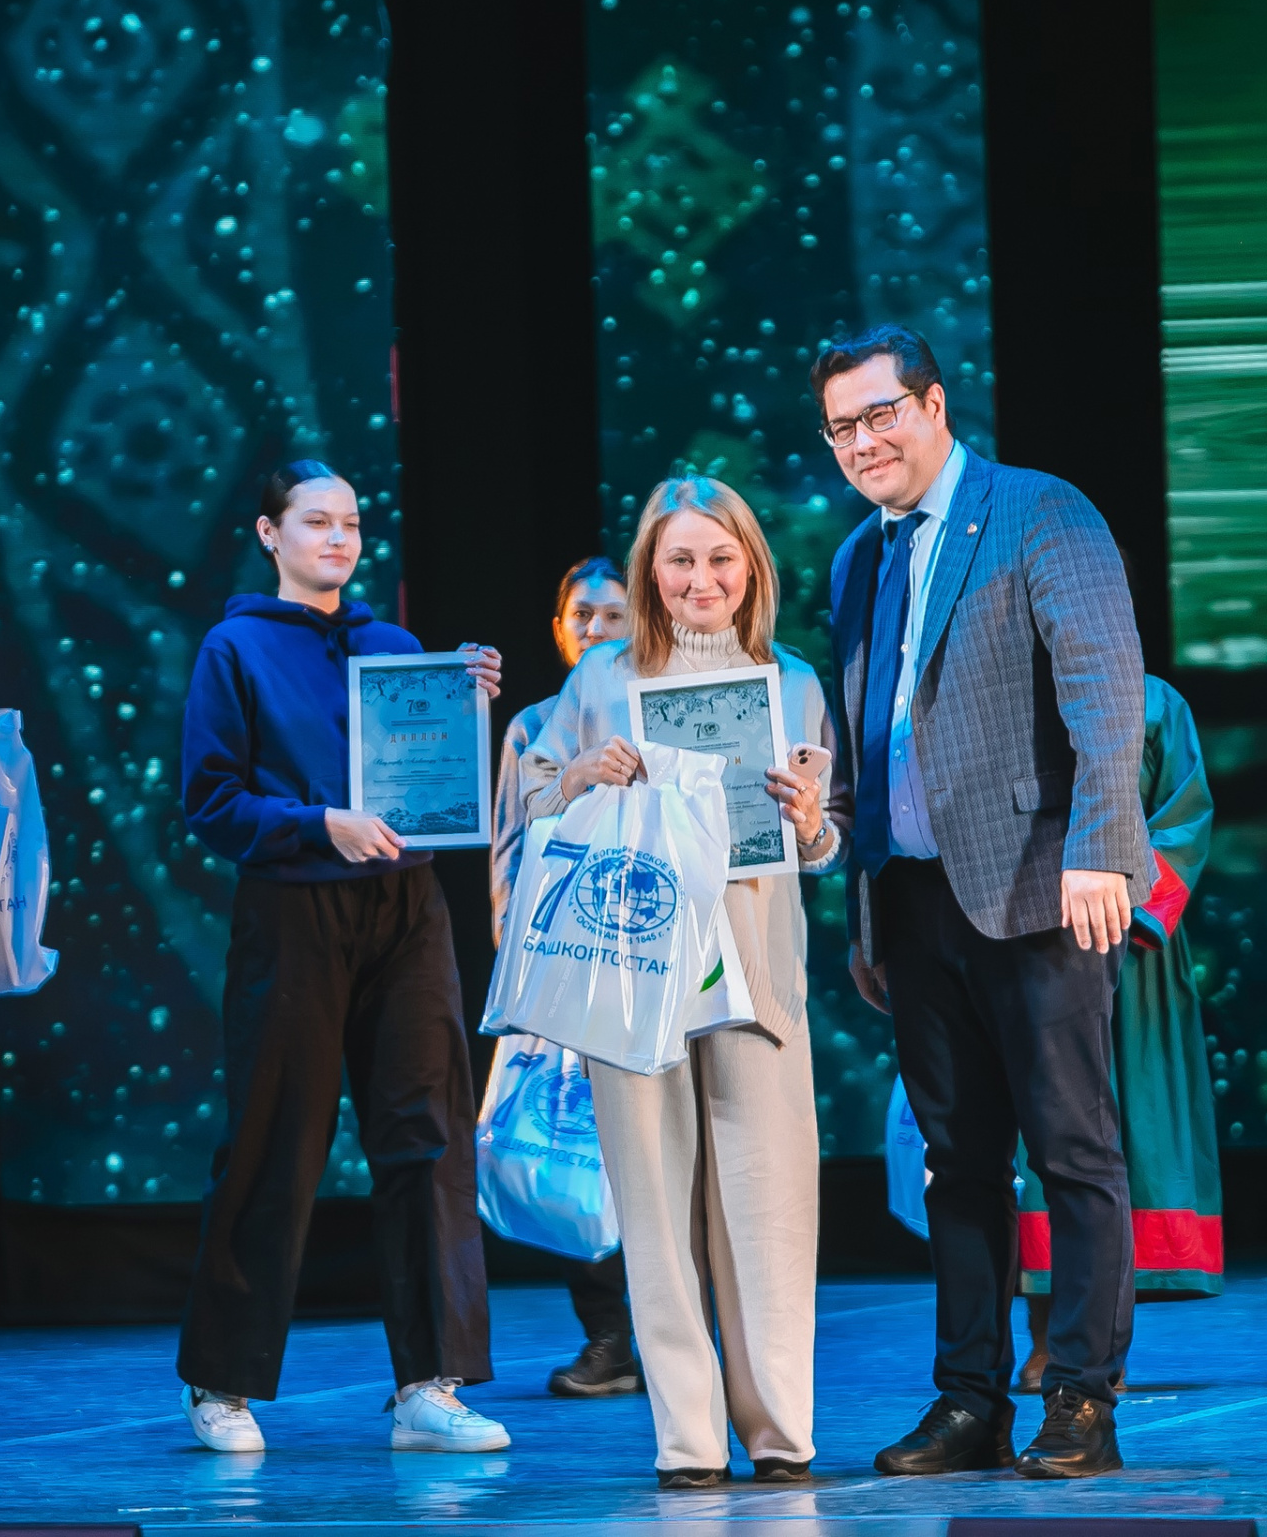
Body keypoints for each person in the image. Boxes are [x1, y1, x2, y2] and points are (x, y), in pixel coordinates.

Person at [819, 324, 1150, 1480]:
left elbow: (1106, 687)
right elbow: (867, 743)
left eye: (881, 414)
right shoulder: (856, 559)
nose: (864, 442)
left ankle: (1082, 1397)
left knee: (1073, 1150)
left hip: (1042, 886)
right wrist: (865, 912)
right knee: (955, 1166)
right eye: (842, 427)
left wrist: (1104, 848)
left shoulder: (1038, 510)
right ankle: (969, 1402)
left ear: (934, 405)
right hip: (913, 898)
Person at [520, 476, 848, 1488]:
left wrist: (811, 823)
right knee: (657, 1213)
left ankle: (779, 1430)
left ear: (751, 566)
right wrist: (582, 776)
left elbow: (826, 840)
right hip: (634, 967)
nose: (700, 579)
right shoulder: (601, 678)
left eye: (719, 557)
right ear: (649, 571)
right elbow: (531, 796)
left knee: (769, 1202)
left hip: (756, 966)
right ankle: (689, 1441)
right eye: (679, 560)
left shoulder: (792, 680)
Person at [175, 460, 508, 1454]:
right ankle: (221, 1381)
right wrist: (320, 823)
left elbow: (436, 781)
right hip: (296, 909)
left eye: (351, 523)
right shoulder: (235, 648)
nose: (337, 538)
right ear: (269, 534)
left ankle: (428, 1385)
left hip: (406, 909)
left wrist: (465, 700)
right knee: (274, 1139)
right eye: (316, 521)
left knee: (427, 1135)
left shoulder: (395, 648)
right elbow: (211, 801)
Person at [1014, 671, 1222, 1392]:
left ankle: (1097, 1340)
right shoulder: (1008, 689)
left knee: (1119, 1137)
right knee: (1035, 1135)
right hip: (1029, 933)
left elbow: (1184, 815)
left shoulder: (1154, 701)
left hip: (1127, 942)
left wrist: (1133, 908)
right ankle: (1044, 1335)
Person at [487, 556, 640, 1397]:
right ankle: (608, 1336)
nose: (595, 629)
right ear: (558, 629)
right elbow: (510, 850)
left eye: (613, 614)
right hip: (564, 964)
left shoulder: (654, 709)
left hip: (647, 962)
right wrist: (519, 964)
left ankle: (677, 1336)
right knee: (573, 1145)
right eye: (581, 615)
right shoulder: (534, 727)